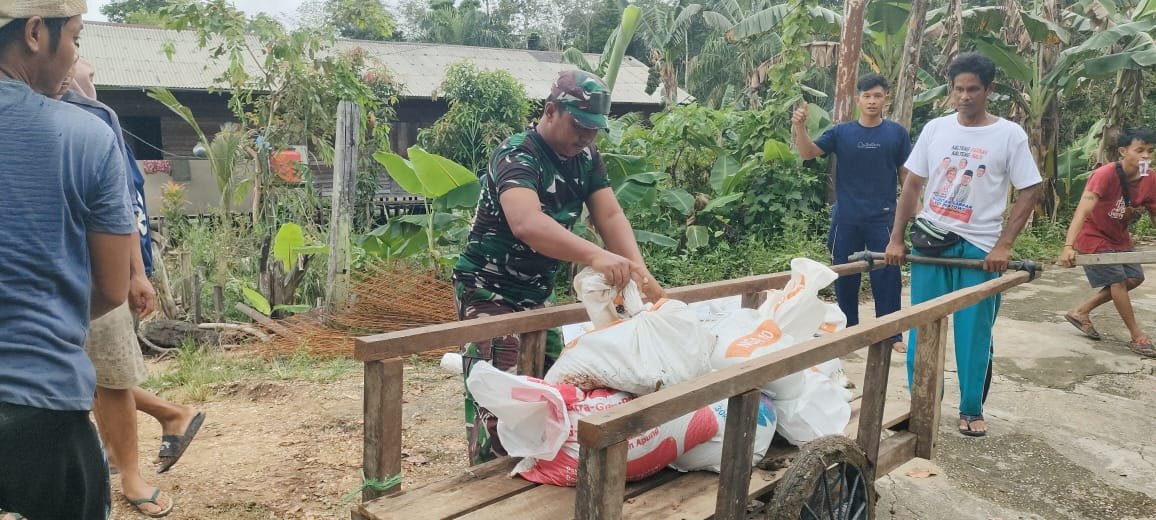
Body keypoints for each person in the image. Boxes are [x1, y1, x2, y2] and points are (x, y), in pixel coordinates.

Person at [453, 69, 665, 464]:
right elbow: (527, 222)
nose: (586, 136)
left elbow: (610, 215)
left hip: (537, 295)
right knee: (500, 398)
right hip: (488, 290)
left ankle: (541, 473)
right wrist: (595, 255)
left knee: (556, 389)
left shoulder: (586, 158)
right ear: (551, 111)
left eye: (594, 129)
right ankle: (489, 482)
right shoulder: (517, 154)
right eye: (579, 125)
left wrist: (641, 273)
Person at [0, 1, 136, 518]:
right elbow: (111, 287)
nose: (74, 55)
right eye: (75, 38)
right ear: (36, 33)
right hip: (40, 406)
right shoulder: (86, 136)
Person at [61, 58, 205, 517]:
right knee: (83, 377)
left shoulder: (96, 121)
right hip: (51, 269)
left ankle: (131, 473)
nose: (89, 83)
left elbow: (124, 206)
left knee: (111, 376)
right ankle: (163, 420)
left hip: (96, 268)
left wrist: (136, 273)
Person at [886, 52, 1042, 438]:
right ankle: (922, 404)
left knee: (974, 334)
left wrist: (1004, 245)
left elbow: (1030, 188)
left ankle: (971, 408)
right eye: (959, 89)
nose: (965, 96)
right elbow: (912, 185)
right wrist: (896, 239)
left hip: (980, 248)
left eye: (973, 89)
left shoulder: (1009, 135)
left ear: (989, 90)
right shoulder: (936, 129)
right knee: (922, 328)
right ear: (951, 90)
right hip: (932, 241)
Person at [792, 73, 911, 353]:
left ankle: (891, 334)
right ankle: (848, 331)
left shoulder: (896, 133)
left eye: (877, 96)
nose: (872, 101)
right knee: (844, 275)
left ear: (885, 99)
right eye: (867, 96)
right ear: (858, 99)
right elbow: (808, 153)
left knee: (887, 276)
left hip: (883, 217)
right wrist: (800, 127)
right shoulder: (841, 132)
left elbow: (905, 175)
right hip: (846, 218)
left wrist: (911, 210)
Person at [1059, 128, 1156, 358]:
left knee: (1135, 277)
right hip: (1093, 235)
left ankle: (1081, 311)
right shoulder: (1105, 174)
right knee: (1117, 281)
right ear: (1123, 151)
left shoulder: (1150, 178)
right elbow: (1082, 211)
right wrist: (1068, 247)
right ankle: (1137, 336)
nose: (1146, 156)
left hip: (1119, 236)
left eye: (1150, 151)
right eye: (1139, 150)